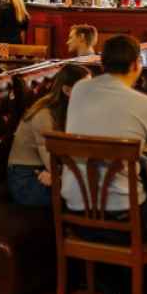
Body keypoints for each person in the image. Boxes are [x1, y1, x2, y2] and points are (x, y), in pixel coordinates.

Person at [64, 35, 147, 294]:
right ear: (136, 65)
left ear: (102, 64)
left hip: (76, 216)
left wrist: (144, 161)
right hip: (123, 222)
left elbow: (99, 140)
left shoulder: (80, 91)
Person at [7, 64, 91, 206]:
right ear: (66, 90)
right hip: (26, 179)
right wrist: (60, 176)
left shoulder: (71, 109)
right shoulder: (44, 115)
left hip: (47, 170)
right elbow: (52, 162)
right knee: (86, 195)